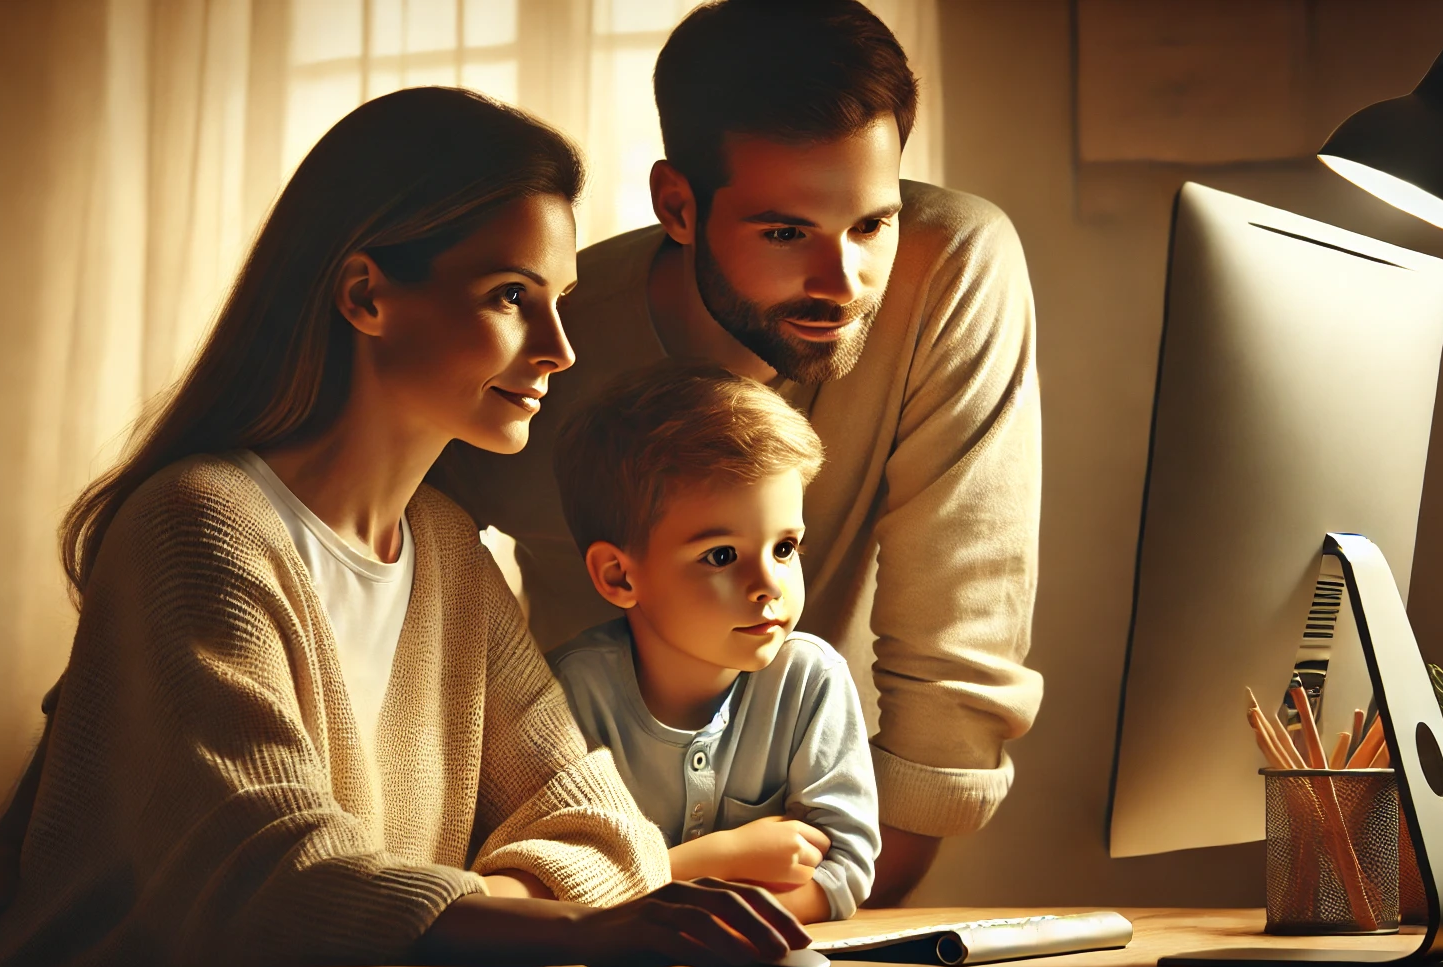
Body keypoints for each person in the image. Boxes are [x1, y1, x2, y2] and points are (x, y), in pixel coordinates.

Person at [0, 87, 810, 967]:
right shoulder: (199, 527)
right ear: (364, 294)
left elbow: (605, 830)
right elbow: (281, 876)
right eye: (511, 297)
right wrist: (572, 930)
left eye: (561, 303)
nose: (558, 350)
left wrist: (465, 912)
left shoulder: (447, 551)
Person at [428, 0, 1042, 907]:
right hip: (573, 876)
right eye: (786, 232)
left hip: (803, 873)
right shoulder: (539, 340)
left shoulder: (947, 269)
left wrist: (831, 907)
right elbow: (395, 580)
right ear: (678, 204)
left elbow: (959, 645)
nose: (844, 286)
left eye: (872, 225)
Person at [547, 361, 880, 925]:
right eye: (722, 555)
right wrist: (718, 860)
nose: (769, 586)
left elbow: (845, 867)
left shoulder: (809, 680)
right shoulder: (569, 694)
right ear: (619, 577)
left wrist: (715, 919)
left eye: (784, 548)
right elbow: (562, 877)